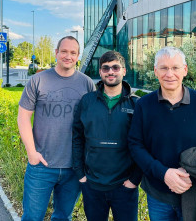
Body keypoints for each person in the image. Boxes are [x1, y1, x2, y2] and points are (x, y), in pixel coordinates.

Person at [128, 46, 196, 221]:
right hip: (158, 194)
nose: (169, 74)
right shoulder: (144, 105)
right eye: (163, 68)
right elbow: (135, 145)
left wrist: (190, 173)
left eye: (175, 68)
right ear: (155, 71)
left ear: (184, 70)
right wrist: (164, 174)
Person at [17, 36, 96, 221]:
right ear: (56, 53)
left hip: (73, 167)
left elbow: (94, 123)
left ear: (78, 56)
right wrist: (31, 154)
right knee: (32, 217)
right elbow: (23, 117)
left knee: (63, 217)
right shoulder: (38, 81)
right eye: (64, 51)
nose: (68, 56)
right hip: (41, 166)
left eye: (73, 53)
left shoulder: (87, 84)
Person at [72, 51, 142, 221]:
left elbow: (144, 144)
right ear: (101, 72)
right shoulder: (86, 101)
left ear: (124, 71)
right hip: (92, 185)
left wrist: (134, 180)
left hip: (125, 186)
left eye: (115, 67)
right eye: (106, 68)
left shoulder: (137, 104)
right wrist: (80, 174)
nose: (111, 71)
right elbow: (77, 138)